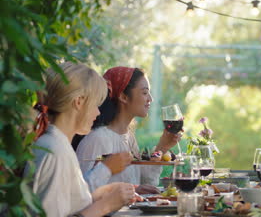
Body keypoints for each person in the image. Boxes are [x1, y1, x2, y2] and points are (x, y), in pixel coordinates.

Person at [26, 62, 135, 217]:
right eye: (96, 104)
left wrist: (96, 194)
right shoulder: (55, 151)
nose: (98, 113)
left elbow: (64, 206)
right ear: (79, 102)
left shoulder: (56, 144)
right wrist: (105, 205)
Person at [76, 66, 181, 194]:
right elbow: (81, 193)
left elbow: (146, 183)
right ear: (123, 97)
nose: (150, 99)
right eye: (144, 93)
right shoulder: (96, 140)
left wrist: (162, 147)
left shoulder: (128, 137)